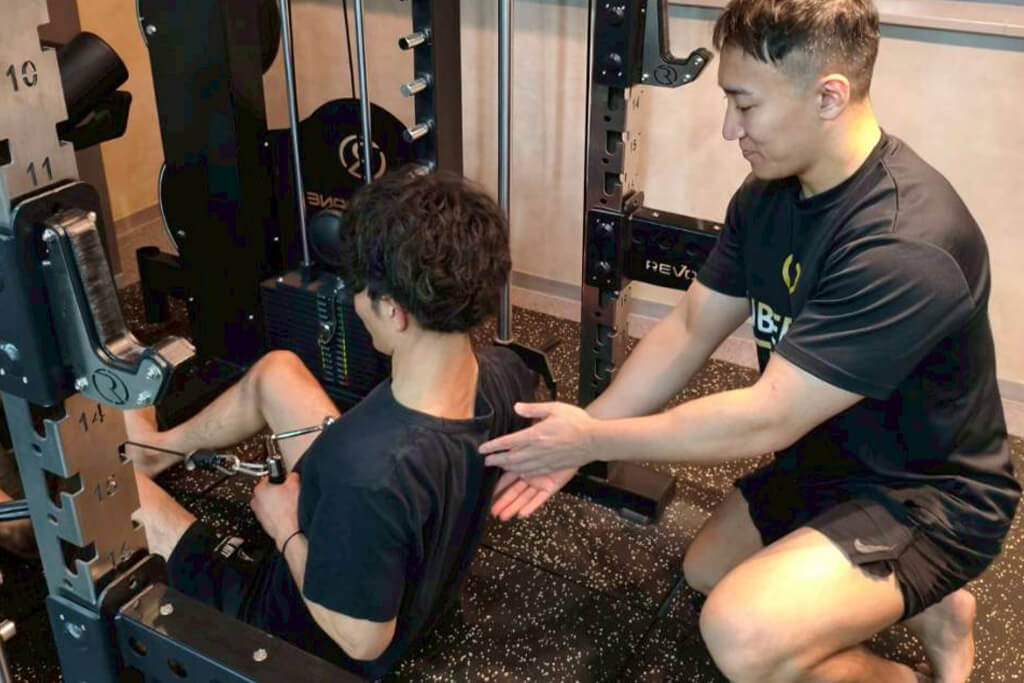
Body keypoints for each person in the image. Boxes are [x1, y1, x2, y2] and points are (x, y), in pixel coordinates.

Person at [480, 1, 1020, 681]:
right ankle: (933, 608)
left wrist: (593, 442)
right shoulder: (768, 195)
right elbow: (689, 327)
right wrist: (589, 428)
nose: (729, 128)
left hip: (925, 495)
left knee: (737, 635)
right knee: (706, 570)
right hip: (827, 455)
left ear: (829, 97)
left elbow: (768, 415)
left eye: (745, 103)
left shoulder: (904, 244)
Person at [126, 169, 537, 678]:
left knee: (116, 488)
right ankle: (157, 449)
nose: (355, 301)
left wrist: (285, 527)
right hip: (391, 543)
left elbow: (363, 640)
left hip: (294, 630)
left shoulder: (367, 472)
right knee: (278, 373)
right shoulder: (504, 373)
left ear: (394, 311)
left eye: (359, 290)